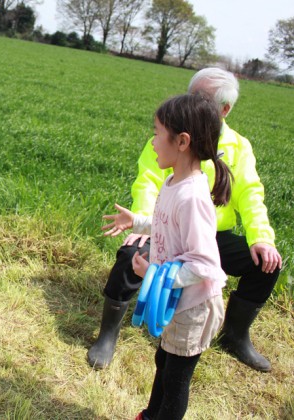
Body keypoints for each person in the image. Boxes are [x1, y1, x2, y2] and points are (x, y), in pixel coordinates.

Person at [87, 68, 283, 372]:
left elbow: (251, 195)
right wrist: (145, 224)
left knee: (266, 263)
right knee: (131, 254)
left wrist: (262, 239)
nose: (191, 102)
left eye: (200, 98)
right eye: (190, 94)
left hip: (210, 237)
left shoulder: (238, 147)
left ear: (225, 109)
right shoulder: (171, 136)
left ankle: (235, 336)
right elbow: (148, 181)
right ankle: (107, 334)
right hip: (169, 229)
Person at [102, 93, 230, 419]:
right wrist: (138, 221)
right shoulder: (174, 181)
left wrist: (154, 274)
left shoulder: (193, 197)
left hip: (194, 307)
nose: (153, 140)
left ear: (183, 141)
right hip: (178, 299)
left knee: (176, 380)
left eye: (157, 132)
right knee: (164, 362)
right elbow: (166, 222)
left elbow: (204, 264)